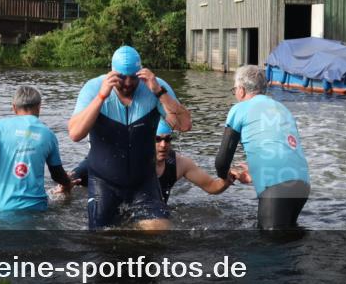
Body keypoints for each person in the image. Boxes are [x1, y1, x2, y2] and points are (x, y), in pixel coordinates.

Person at [67, 45, 192, 229]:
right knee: (100, 240)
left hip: (143, 181)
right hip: (104, 181)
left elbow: (184, 125)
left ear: (140, 73)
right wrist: (101, 96)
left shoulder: (156, 87)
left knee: (161, 232)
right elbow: (75, 134)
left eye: (133, 77)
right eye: (121, 78)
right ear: (112, 73)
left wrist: (159, 92)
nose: (127, 83)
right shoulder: (93, 88)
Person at [214, 65, 310, 229]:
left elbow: (222, 161)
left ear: (242, 90)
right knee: (289, 241)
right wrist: (255, 171)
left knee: (268, 248)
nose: (235, 94)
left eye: (234, 89)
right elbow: (281, 149)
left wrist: (226, 175)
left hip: (277, 187)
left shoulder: (240, 109)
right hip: (303, 184)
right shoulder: (283, 109)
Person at [66, 120, 252, 203]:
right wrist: (67, 185)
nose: (163, 145)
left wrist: (229, 178)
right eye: (157, 140)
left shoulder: (179, 164)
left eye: (167, 139)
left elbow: (212, 186)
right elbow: (92, 165)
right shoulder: (127, 158)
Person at [0, 86, 72, 211]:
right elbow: (57, 174)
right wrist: (68, 184)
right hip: (35, 209)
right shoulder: (48, 134)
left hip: (0, 208)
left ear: (14, 107)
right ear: (39, 107)